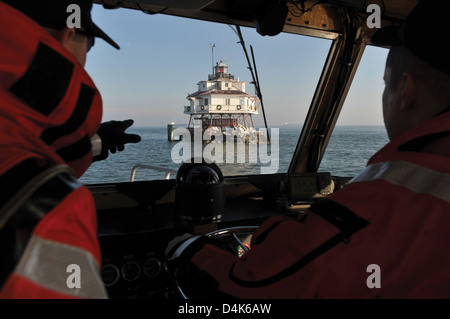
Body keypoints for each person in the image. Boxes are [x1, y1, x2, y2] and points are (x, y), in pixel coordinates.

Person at [166, 0, 450, 298]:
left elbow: (247, 289)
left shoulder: (386, 202)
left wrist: (190, 250)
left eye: (384, 83)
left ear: (406, 90)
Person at [0, 0, 139, 298]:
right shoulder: (47, 206)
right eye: (88, 47)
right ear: (68, 33)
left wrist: (96, 140)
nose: (86, 60)